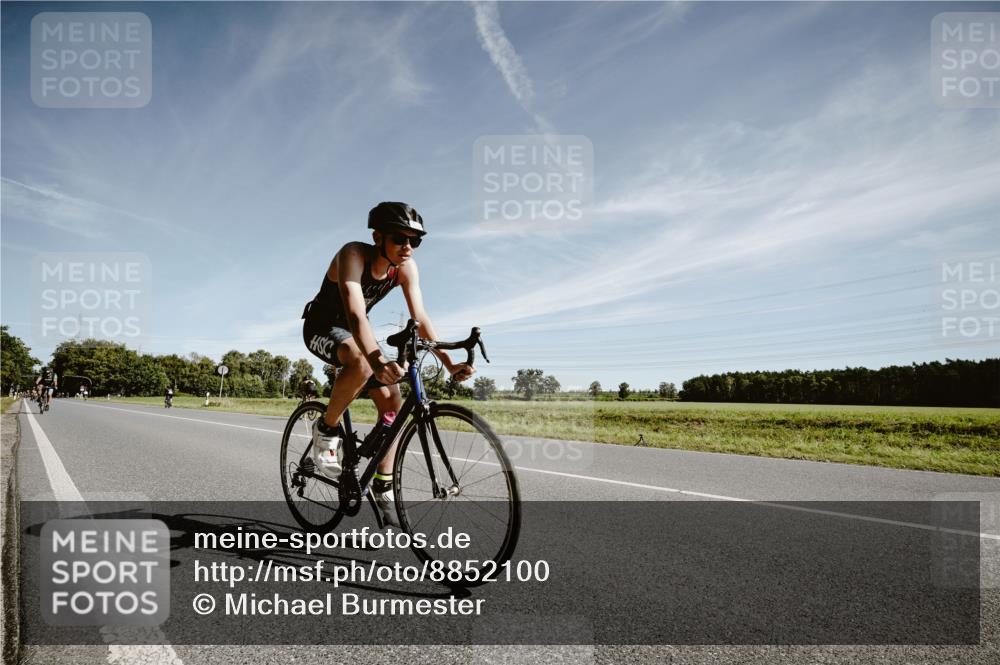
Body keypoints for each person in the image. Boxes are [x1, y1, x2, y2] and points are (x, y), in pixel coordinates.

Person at [301, 202, 474, 527]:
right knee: (363, 363)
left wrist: (449, 362)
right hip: (322, 327)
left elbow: (419, 317)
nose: (408, 247)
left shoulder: (405, 268)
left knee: (393, 401)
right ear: (378, 237)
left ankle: (383, 484)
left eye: (415, 241)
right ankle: (326, 429)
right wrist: (377, 360)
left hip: (356, 334)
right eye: (400, 238)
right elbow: (354, 314)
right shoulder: (352, 255)